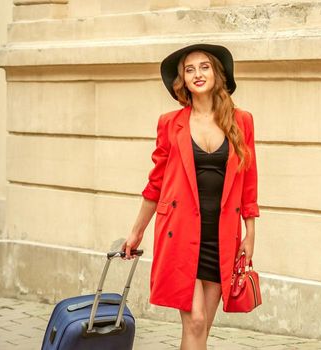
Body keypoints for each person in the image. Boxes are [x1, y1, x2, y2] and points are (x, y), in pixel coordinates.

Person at [123, 43, 260, 350]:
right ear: (181, 81)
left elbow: (249, 182)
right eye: (189, 69)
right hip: (180, 233)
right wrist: (136, 232)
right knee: (195, 321)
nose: (197, 74)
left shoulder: (242, 122)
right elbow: (155, 184)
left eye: (204, 67)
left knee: (201, 329)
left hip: (221, 237)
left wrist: (250, 234)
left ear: (217, 74)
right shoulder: (170, 124)